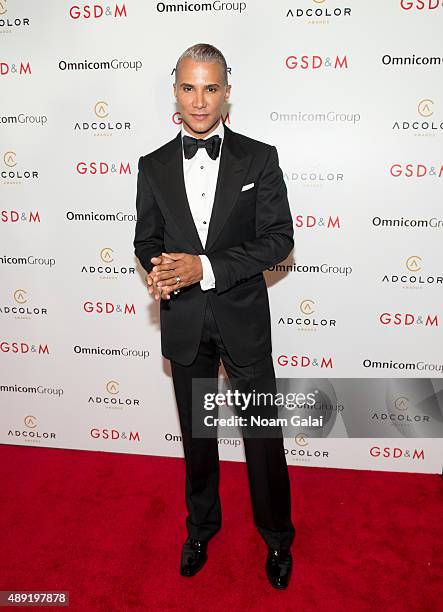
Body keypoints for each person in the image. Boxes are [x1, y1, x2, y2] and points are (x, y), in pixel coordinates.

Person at [133, 43, 295, 589]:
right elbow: (146, 238)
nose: (199, 101)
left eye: (210, 88)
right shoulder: (153, 165)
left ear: (228, 91)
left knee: (262, 438)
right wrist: (157, 271)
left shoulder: (260, 158)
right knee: (197, 438)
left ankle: (277, 539)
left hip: (242, 319)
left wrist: (201, 267)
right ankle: (200, 528)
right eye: (188, 87)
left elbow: (278, 242)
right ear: (174, 92)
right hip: (184, 323)